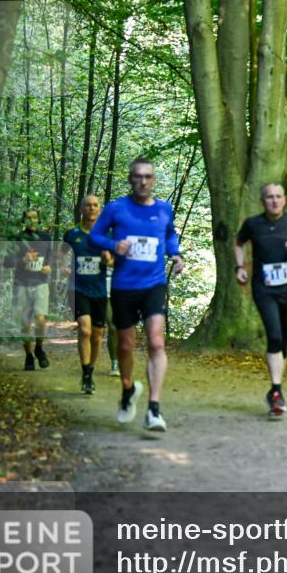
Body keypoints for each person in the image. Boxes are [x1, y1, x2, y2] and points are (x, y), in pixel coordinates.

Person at [90, 157, 184, 432]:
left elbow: (169, 235)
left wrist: (175, 255)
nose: (143, 181)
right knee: (125, 345)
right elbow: (95, 236)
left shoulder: (165, 209)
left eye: (148, 177)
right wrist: (112, 244)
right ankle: (128, 389)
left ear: (153, 180)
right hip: (123, 286)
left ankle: (154, 408)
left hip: (153, 284)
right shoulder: (116, 209)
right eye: (138, 177)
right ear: (130, 179)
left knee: (156, 342)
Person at [234, 182, 287, 417]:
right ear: (263, 201)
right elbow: (238, 243)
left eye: (278, 196)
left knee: (282, 343)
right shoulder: (253, 224)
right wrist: (239, 267)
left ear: (284, 200)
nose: (274, 200)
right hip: (264, 289)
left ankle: (275, 390)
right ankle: (276, 392)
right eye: (269, 197)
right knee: (274, 335)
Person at [62, 195, 113, 394]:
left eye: (95, 206)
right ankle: (85, 373)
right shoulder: (71, 234)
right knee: (85, 330)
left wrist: (108, 260)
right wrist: (64, 267)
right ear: (81, 209)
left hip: (99, 291)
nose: (91, 209)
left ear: (99, 210)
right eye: (87, 205)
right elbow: (60, 257)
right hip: (77, 289)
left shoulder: (108, 236)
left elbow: (117, 262)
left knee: (97, 336)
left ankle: (90, 370)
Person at [5, 210, 53, 371]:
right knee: (25, 324)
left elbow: (50, 259)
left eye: (35, 217)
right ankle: (29, 356)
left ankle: (39, 348)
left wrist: (48, 268)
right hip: (21, 284)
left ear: (39, 220)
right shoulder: (18, 239)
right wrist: (23, 259)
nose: (32, 220)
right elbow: (7, 262)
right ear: (24, 220)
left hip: (40, 283)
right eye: (28, 218)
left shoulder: (46, 238)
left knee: (40, 319)